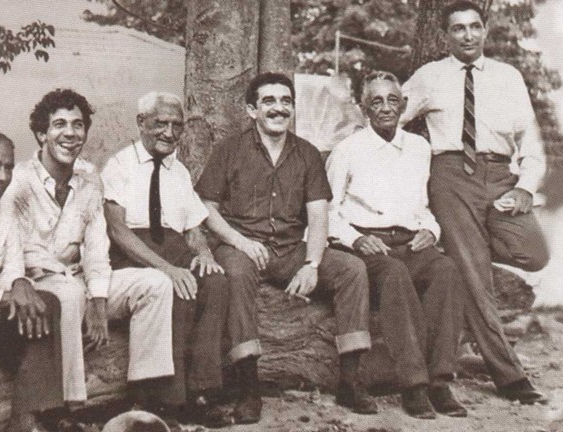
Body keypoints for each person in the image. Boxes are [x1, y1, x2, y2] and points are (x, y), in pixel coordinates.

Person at [195, 72, 373, 424]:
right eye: (269, 101)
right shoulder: (229, 150)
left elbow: (318, 215)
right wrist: (239, 241)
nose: (278, 109)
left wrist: (311, 263)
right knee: (236, 273)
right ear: (252, 110)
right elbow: (205, 207)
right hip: (242, 246)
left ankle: (350, 381)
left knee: (352, 269)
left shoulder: (307, 154)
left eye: (286, 101)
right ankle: (249, 387)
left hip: (291, 250)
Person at [401, 0, 550, 404]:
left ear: (485, 30)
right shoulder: (430, 76)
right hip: (450, 175)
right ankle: (510, 376)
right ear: (446, 35)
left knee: (535, 253)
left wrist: (525, 187)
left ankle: (463, 247)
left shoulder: (508, 76)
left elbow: (530, 140)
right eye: (458, 28)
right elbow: (388, 116)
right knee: (474, 274)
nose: (467, 35)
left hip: (500, 176)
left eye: (473, 27)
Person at [5, 89, 176, 421]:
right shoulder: (19, 182)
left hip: (79, 281)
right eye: (59, 125)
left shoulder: (88, 177)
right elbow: (15, 252)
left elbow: (97, 249)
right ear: (41, 134)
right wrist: (81, 293)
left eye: (78, 125)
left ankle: (144, 398)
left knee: (155, 284)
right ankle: (67, 409)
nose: (70, 134)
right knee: (69, 293)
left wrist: (98, 301)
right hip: (38, 285)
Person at [326, 71, 466, 419]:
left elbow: (424, 207)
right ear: (364, 109)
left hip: (411, 241)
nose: (386, 108)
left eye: (392, 100)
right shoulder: (347, 150)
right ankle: (414, 384)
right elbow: (327, 212)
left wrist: (431, 230)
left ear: (403, 105)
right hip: (369, 245)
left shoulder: (419, 148)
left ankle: (440, 381)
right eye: (376, 101)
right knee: (394, 275)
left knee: (447, 271)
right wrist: (357, 239)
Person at [100, 91, 231, 428]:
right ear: (141, 123)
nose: (169, 133)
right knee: (175, 290)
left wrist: (203, 254)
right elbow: (117, 230)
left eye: (177, 125)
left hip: (174, 246)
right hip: (134, 250)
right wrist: (167, 269)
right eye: (161, 124)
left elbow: (192, 227)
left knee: (215, 282)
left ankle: (203, 390)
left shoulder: (179, 171)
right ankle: (168, 399)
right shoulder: (119, 165)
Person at [0, 130, 62, 432]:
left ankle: (25, 420)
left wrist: (20, 282)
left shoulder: (4, 208)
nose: (3, 177)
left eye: (8, 167)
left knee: (44, 303)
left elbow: (12, 263)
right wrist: (0, 297)